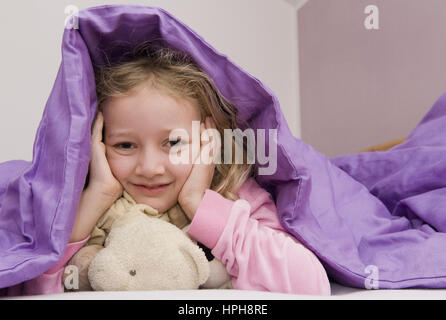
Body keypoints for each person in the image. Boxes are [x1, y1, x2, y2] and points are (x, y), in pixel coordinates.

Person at [16, 43, 330, 296]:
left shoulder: (236, 197)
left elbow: (310, 285)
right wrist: (98, 194)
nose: (150, 168)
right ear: (96, 143)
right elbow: (37, 291)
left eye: (173, 142)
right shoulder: (85, 210)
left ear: (209, 138)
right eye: (125, 145)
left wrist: (198, 202)